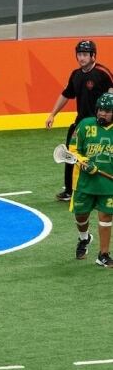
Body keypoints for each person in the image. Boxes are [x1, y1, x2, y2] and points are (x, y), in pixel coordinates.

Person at [45, 39, 113, 202]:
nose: (81, 58)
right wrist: (52, 114)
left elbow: (111, 95)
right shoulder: (75, 75)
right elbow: (66, 94)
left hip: (100, 123)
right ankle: (69, 190)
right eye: (79, 54)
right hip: (81, 123)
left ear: (93, 55)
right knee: (70, 154)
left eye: (85, 54)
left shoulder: (103, 73)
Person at [69, 92, 113, 266]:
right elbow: (72, 150)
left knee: (106, 217)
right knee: (81, 216)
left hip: (108, 185)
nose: (102, 113)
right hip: (84, 183)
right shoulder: (85, 125)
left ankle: (103, 255)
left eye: (107, 110)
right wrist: (84, 162)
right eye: (101, 109)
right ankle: (84, 238)